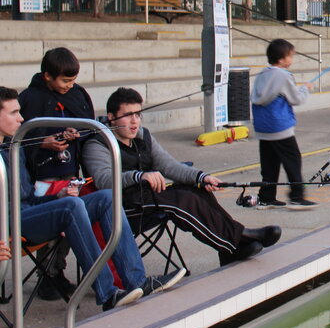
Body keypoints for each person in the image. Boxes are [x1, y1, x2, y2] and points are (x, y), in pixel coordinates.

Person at [0, 87, 184, 311]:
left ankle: (137, 281)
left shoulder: (12, 146)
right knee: (71, 206)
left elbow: (27, 198)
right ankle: (108, 293)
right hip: (8, 223)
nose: (21, 118)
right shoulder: (13, 146)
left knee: (106, 198)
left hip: (27, 212)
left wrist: (57, 196)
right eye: (14, 113)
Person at [83, 88, 280, 266]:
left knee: (195, 189)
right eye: (128, 115)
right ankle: (239, 239)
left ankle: (229, 247)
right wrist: (139, 176)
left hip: (148, 197)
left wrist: (201, 177)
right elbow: (104, 181)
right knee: (182, 200)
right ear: (111, 117)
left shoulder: (142, 136)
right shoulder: (97, 144)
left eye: (138, 114)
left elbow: (169, 165)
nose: (135, 121)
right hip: (123, 207)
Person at [17, 47, 96, 299]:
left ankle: (57, 270)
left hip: (69, 171)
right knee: (50, 228)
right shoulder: (30, 98)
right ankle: (47, 276)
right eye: (65, 81)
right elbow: (18, 138)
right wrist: (43, 142)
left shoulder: (77, 94)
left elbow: (89, 126)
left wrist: (75, 133)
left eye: (73, 80)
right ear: (47, 76)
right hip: (42, 176)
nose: (69, 86)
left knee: (69, 227)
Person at [251, 39, 314, 209]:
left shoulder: (262, 74)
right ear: (281, 59)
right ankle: (297, 197)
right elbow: (296, 99)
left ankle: (266, 197)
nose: (291, 59)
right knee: (293, 160)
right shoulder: (284, 76)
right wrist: (305, 88)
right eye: (290, 56)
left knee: (269, 163)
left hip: (263, 127)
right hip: (279, 127)